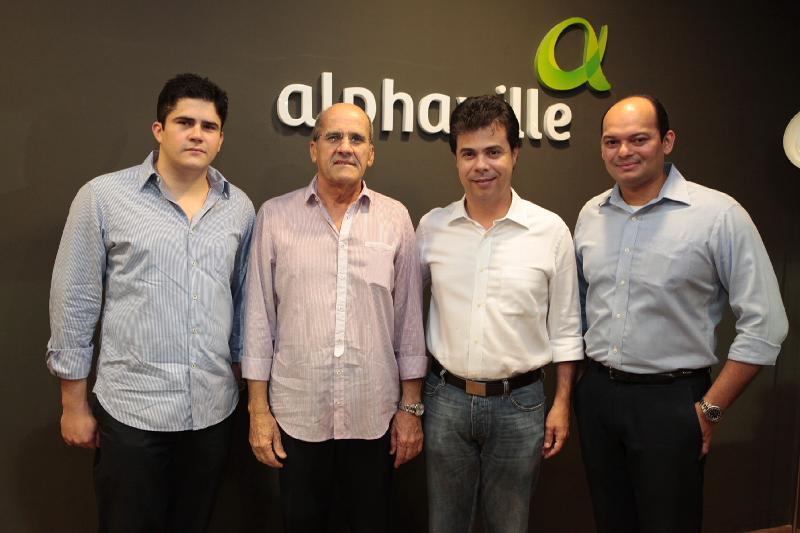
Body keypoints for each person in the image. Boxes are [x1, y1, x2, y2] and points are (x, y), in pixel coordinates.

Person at [46, 73, 255, 533]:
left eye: (209, 126)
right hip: (131, 411)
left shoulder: (238, 207)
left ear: (221, 139)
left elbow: (243, 300)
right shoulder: (103, 197)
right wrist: (73, 405)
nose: (197, 134)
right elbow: (75, 300)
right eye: (184, 122)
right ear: (159, 129)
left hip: (212, 412)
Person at [573, 95, 789, 533]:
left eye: (639, 139)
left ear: (667, 141)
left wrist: (711, 410)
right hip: (597, 397)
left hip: (671, 403)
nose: (624, 151)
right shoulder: (591, 214)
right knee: (611, 521)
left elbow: (767, 325)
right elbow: (579, 307)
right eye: (612, 141)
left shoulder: (718, 215)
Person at [243, 102, 426, 533]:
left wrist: (410, 408)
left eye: (357, 138)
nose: (345, 147)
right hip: (297, 415)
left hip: (374, 415)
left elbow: (409, 322)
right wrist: (258, 410)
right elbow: (258, 319)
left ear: (371, 154)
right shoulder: (275, 216)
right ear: (314, 149)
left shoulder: (395, 218)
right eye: (334, 137)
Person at [417, 95, 584, 533]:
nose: (481, 165)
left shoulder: (550, 231)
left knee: (510, 524)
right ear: (455, 159)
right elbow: (403, 313)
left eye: (493, 151)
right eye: (468, 153)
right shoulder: (432, 228)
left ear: (515, 153)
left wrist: (562, 403)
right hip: (445, 399)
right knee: (445, 524)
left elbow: (567, 327)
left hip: (520, 403)